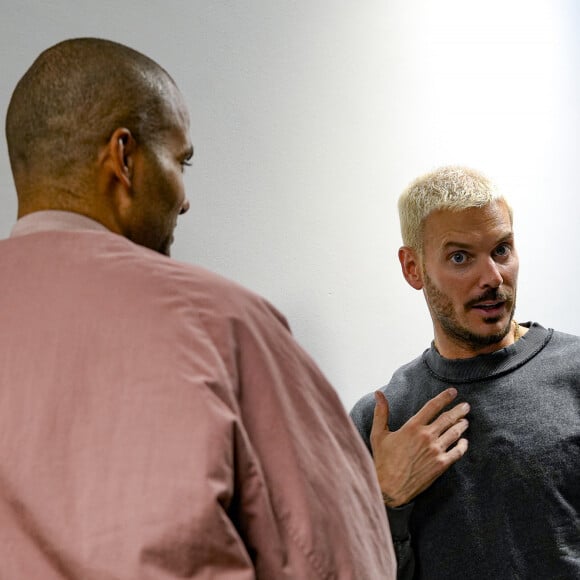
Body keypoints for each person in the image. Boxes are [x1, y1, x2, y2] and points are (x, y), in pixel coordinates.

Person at [0, 37, 397, 579]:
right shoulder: (220, 323)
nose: (184, 197)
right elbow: (338, 562)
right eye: (180, 160)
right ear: (124, 158)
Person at [351, 166, 580, 579]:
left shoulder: (575, 372)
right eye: (460, 257)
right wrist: (385, 500)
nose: (492, 278)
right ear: (413, 268)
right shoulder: (380, 421)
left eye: (502, 250)